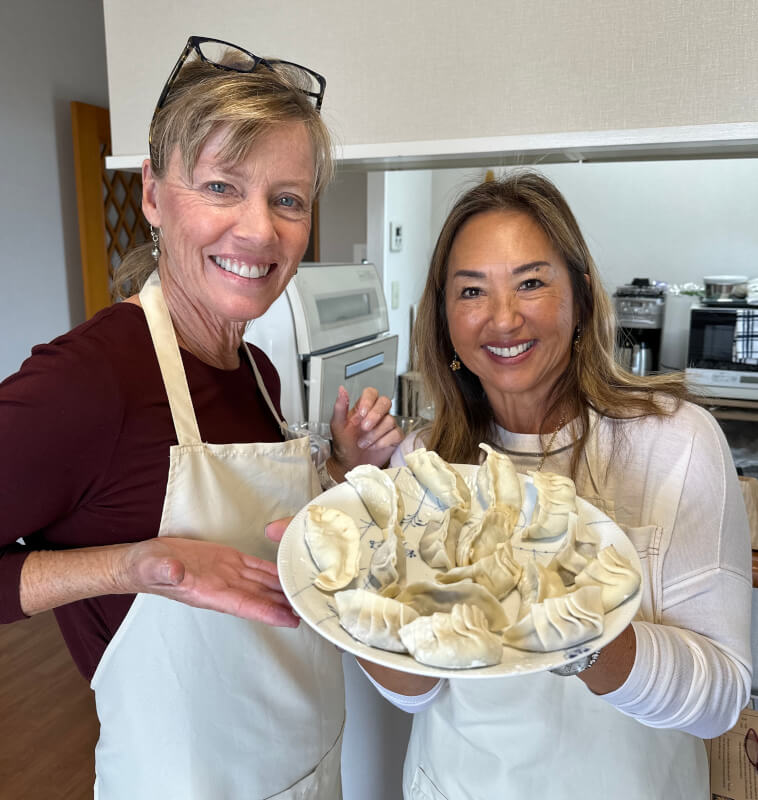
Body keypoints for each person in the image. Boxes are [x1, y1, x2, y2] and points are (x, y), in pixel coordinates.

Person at [0, 36, 401, 799]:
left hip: (308, 771)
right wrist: (128, 567)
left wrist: (343, 473)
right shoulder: (92, 380)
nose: (259, 230)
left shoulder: (255, 368)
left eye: (288, 199)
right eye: (222, 187)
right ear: (153, 193)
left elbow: (258, 558)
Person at [358, 172, 752, 799]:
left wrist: (579, 638)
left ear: (582, 297)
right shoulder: (421, 465)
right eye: (471, 291)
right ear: (444, 318)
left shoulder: (676, 441)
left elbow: (721, 698)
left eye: (532, 282)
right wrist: (356, 599)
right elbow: (416, 691)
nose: (503, 317)